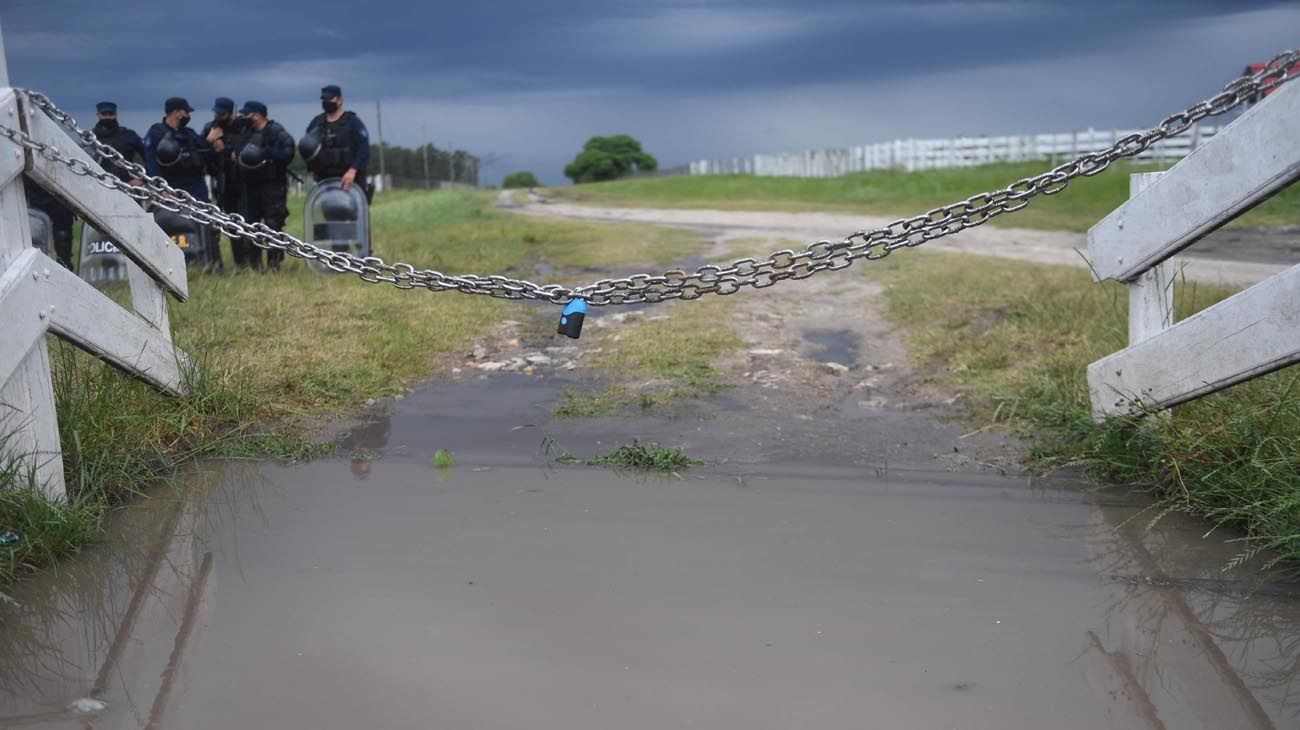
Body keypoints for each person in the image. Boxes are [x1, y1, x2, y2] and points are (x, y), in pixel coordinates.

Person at [233, 101, 295, 271]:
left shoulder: (276, 132)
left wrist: (269, 151)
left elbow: (288, 153)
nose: (244, 118)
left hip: (272, 185)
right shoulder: (246, 133)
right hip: (251, 185)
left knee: (273, 224)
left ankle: (274, 264)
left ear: (257, 115)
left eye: (247, 114)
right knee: (251, 225)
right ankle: (255, 265)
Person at [202, 97, 249, 268]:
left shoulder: (242, 127)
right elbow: (202, 155)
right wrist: (210, 143)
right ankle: (215, 263)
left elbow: (245, 148)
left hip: (240, 181)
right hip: (219, 181)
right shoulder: (211, 129)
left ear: (230, 113)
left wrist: (227, 147)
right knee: (215, 224)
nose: (218, 116)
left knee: (240, 224)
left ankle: (242, 261)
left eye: (221, 113)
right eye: (216, 112)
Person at [301, 84, 370, 198]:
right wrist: (313, 169)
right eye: (324, 99)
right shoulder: (317, 123)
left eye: (330, 98)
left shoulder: (353, 122)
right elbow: (307, 149)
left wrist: (352, 171)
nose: (326, 101)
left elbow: (364, 150)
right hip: (326, 181)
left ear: (340, 100)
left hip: (350, 180)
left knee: (352, 214)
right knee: (330, 213)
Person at [142, 97, 212, 201]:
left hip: (196, 188)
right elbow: (151, 163)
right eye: (186, 112)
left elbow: (206, 151)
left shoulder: (189, 133)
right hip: (172, 187)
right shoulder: (156, 134)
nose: (188, 116)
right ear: (176, 112)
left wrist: (210, 140)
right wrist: (161, 188)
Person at [89, 101, 144, 186]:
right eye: (104, 114)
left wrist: (142, 180)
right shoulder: (90, 137)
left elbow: (148, 156)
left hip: (127, 185)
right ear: (98, 115)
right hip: (98, 183)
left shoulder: (129, 135)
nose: (107, 117)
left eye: (110, 114)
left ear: (115, 115)